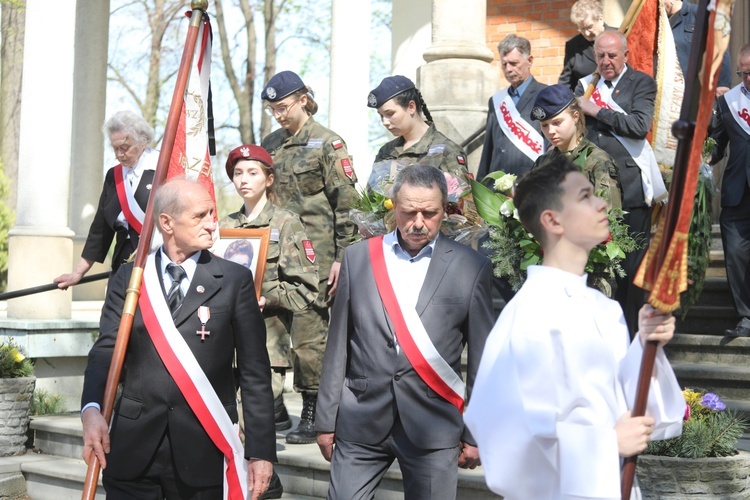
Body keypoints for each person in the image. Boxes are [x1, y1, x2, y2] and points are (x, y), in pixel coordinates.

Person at [464, 157, 684, 499]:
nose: (601, 203)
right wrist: (607, 442)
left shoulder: (605, 308)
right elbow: (507, 437)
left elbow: (625, 403)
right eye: (584, 196)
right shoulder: (528, 314)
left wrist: (647, 344)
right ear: (552, 220)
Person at [80, 177, 277, 499]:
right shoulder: (130, 278)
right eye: (201, 216)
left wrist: (261, 451)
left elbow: (255, 372)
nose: (213, 224)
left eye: (213, 214)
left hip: (204, 447)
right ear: (167, 223)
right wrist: (91, 409)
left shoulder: (233, 280)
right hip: (133, 449)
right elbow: (106, 351)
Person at [315, 164, 495, 499]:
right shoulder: (359, 258)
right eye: (408, 212)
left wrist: (475, 432)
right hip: (361, 418)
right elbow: (337, 342)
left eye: (430, 213)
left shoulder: (471, 267)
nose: (417, 223)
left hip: (434, 423)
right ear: (393, 208)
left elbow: (484, 357)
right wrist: (326, 420)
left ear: (446, 210)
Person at [260, 70, 359, 444]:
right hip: (274, 257)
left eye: (284, 107)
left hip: (315, 258)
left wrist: (343, 257)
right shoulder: (269, 144)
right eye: (273, 110)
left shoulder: (328, 144)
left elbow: (347, 205)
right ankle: (274, 410)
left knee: (309, 338)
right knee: (270, 334)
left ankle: (313, 412)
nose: (280, 115)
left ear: (303, 99)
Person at [220, 144, 319, 443]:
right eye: (237, 173)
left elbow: (307, 287)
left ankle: (262, 485)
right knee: (224, 429)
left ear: (269, 179)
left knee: (253, 431)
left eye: (252, 172)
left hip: (266, 345)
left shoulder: (286, 223)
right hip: (223, 346)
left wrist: (268, 296)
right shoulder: (224, 227)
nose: (244, 180)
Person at [576, 29, 667, 335]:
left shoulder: (640, 83)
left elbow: (640, 126)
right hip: (592, 192)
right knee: (595, 269)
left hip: (630, 190)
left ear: (625, 55)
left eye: (612, 55)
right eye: (599, 55)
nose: (605, 61)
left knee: (630, 271)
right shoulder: (585, 86)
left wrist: (596, 110)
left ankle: (631, 337)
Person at [55, 110, 159, 289]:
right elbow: (100, 229)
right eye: (115, 148)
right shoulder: (113, 175)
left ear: (143, 141)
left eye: (124, 148)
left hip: (156, 262)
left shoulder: (162, 168)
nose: (119, 154)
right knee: (111, 317)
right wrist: (78, 272)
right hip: (122, 264)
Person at [711, 43, 750, 337]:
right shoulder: (728, 103)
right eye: (742, 72)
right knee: (735, 253)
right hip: (737, 193)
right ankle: (746, 317)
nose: (747, 78)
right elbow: (716, 146)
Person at [531, 84, 622, 209]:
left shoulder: (598, 161)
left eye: (557, 123)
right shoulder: (542, 163)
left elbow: (611, 220)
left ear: (575, 116)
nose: (550, 131)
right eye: (544, 125)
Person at [368, 75, 470, 183]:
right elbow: (371, 197)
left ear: (411, 107)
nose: (385, 122)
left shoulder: (447, 151)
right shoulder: (386, 152)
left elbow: (462, 198)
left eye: (390, 114)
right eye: (381, 116)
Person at [477, 34, 547, 180]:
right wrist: (481, 184)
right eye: (504, 64)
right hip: (496, 186)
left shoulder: (546, 95)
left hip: (531, 183)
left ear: (529, 61)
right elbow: (489, 149)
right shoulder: (496, 100)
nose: (508, 69)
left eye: (514, 63)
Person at [665, 0, 732, 96]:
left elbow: (720, 49)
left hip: (696, 93)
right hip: (668, 94)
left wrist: (723, 84)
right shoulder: (659, 22)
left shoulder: (699, 15)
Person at [559, 0, 610, 92]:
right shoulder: (573, 46)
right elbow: (566, 83)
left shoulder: (621, 35)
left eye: (589, 27)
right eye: (582, 29)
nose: (586, 33)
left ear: (601, 19)